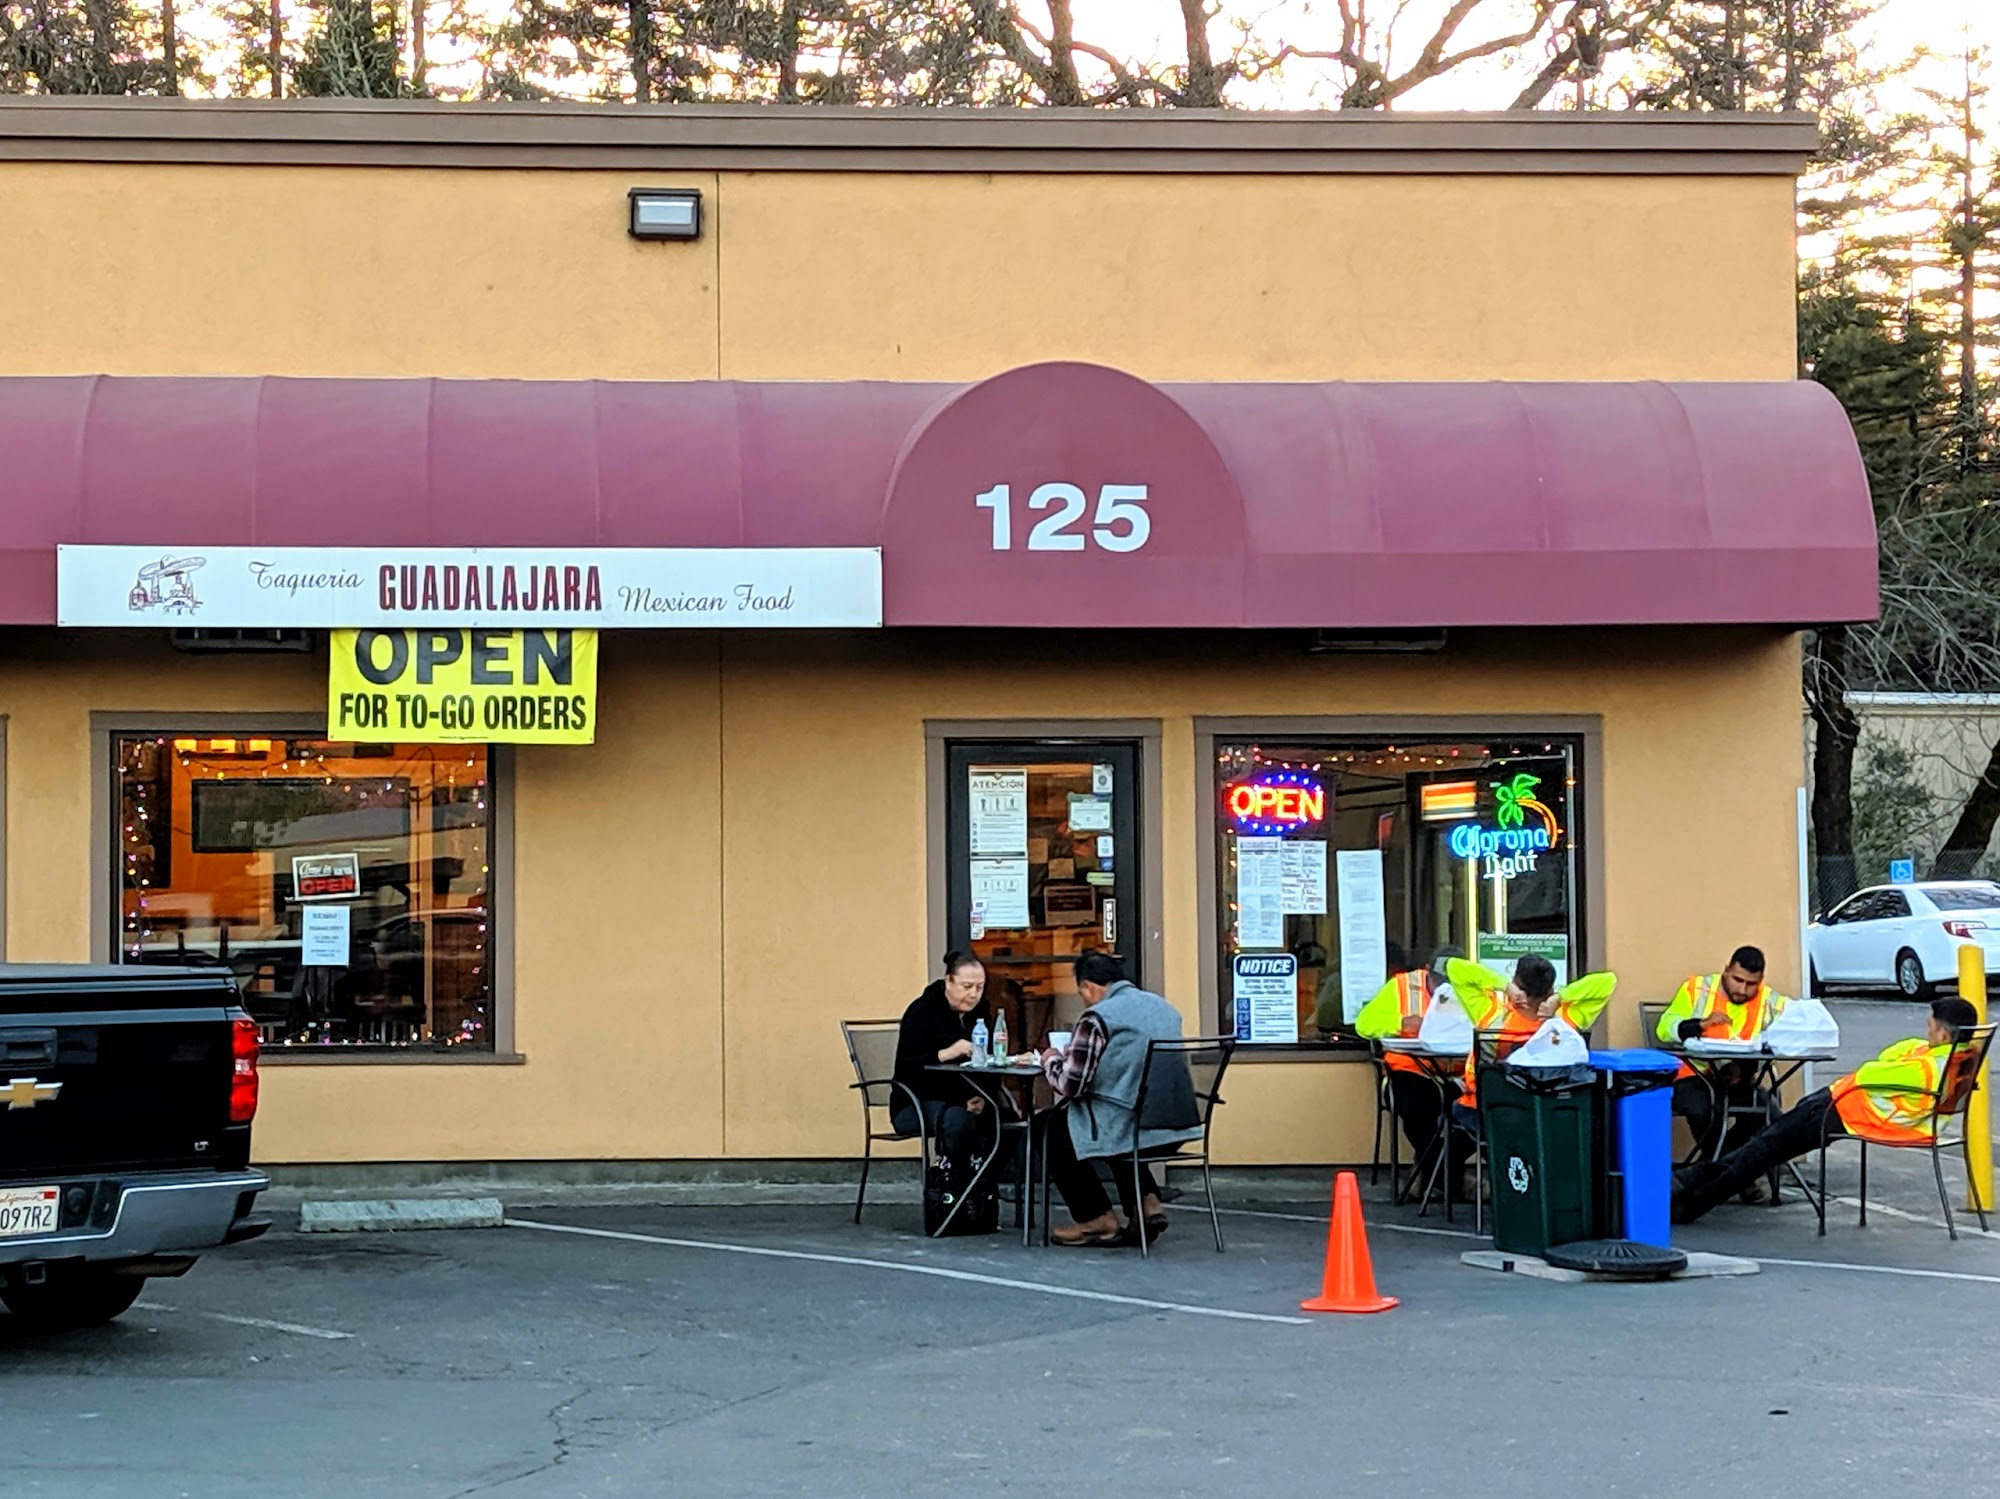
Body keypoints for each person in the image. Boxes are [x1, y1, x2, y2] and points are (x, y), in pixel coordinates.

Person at [1672, 996, 1980, 1224]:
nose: (1925, 1033)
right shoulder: (1957, 1057)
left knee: (1763, 1147)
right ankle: (1688, 1187)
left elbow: (1871, 1071)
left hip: (1853, 1115)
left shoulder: (1926, 1066)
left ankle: (1688, 1195)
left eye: (1930, 1028)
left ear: (1942, 1035)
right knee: (1765, 1143)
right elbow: (1894, 1053)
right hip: (1844, 1108)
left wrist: (1901, 1057)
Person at [1037, 951, 1202, 1248]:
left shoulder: (1099, 1016)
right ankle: (1147, 1203)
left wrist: (1050, 1060)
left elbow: (1071, 1085)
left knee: (1049, 1128)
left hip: (1130, 1122)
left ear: (1088, 987)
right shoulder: (1164, 1007)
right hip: (1175, 1122)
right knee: (1117, 1121)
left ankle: (1096, 1218)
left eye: (1081, 993)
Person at [1657, 946, 1788, 1191]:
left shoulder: (1769, 1001)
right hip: (1692, 1074)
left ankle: (1718, 1170)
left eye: (1751, 984)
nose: (1742, 989)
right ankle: (1734, 1176)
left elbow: (1791, 1028)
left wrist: (1742, 1068)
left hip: (1737, 1078)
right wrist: (1698, 1025)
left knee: (1765, 1109)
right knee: (1702, 1108)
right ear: (1726, 971)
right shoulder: (1697, 989)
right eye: (1737, 980)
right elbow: (1664, 1028)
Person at [1353, 947, 1462, 1161]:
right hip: (1411, 1072)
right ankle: (1447, 1177)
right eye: (1439, 982)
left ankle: (1434, 1173)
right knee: (1417, 1107)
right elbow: (1364, 1025)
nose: (1445, 989)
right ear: (1427, 971)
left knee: (1486, 1112)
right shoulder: (1403, 986)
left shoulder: (1473, 991)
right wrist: (1401, 1023)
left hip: (1459, 1075)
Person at [890, 951, 994, 1163]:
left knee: (1009, 1122)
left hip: (970, 1098)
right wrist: (946, 1054)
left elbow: (989, 1063)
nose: (974, 994)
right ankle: (951, 1184)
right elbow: (908, 1068)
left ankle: (980, 1184)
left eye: (980, 987)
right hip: (917, 1101)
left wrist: (984, 1097)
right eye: (967, 987)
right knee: (957, 1120)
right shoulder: (921, 1011)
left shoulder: (981, 1012)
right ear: (949, 981)